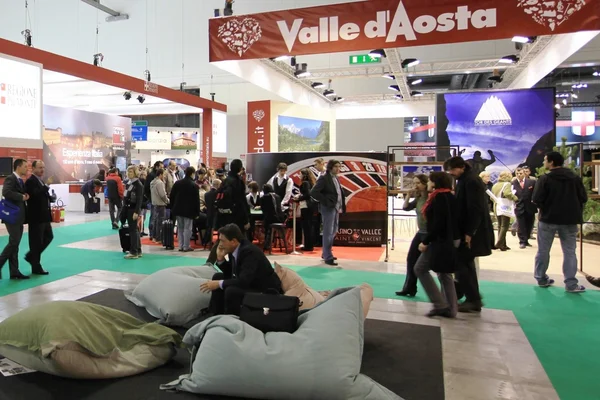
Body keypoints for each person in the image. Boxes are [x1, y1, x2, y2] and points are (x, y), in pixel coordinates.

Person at [532, 151, 587, 293]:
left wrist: (544, 209)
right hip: (570, 220)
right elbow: (583, 197)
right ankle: (571, 284)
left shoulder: (544, 178)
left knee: (543, 250)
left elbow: (536, 199)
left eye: (545, 160)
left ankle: (541, 278)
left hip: (547, 220)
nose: (544, 162)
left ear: (551, 162)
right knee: (570, 252)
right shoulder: (574, 178)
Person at [200, 224, 283, 316]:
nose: (220, 244)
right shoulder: (235, 248)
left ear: (234, 241)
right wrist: (220, 259)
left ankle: (231, 318)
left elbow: (244, 281)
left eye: (223, 241)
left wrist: (219, 284)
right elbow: (232, 274)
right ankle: (215, 312)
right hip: (251, 283)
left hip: (265, 289)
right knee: (217, 276)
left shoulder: (249, 252)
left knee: (231, 290)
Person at [445, 156, 494, 312]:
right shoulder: (466, 180)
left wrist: (469, 232)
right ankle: (470, 297)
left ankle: (472, 299)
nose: (450, 173)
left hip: (473, 232)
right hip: (470, 230)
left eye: (452, 170)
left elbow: (475, 209)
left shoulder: (471, 181)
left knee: (463, 265)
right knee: (465, 265)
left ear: (461, 167)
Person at [414, 172, 460, 318]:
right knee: (444, 273)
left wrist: (426, 241)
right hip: (449, 240)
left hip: (440, 241)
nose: (428, 183)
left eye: (430, 181)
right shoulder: (450, 197)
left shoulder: (438, 198)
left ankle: (440, 304)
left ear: (435, 183)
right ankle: (451, 308)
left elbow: (438, 224)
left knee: (420, 268)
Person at [396, 174, 428, 297]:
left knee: (426, 265)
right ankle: (409, 288)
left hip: (429, 233)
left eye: (418, 183)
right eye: (414, 183)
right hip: (420, 232)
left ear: (425, 184)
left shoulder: (430, 198)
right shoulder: (419, 198)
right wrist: (408, 196)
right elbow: (406, 208)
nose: (416, 186)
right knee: (411, 260)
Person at [310, 159, 346, 266]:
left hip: (335, 207)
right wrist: (325, 201)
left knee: (334, 230)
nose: (338, 169)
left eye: (339, 167)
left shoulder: (335, 178)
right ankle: (328, 256)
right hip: (328, 208)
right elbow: (313, 192)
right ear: (330, 167)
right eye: (336, 166)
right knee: (328, 232)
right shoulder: (324, 177)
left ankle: (326, 253)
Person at [0, 159, 30, 280]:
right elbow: (6, 192)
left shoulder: (19, 180)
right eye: (25, 167)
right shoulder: (11, 178)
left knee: (15, 244)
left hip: (18, 217)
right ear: (18, 167)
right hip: (12, 216)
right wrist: (21, 197)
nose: (27, 169)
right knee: (13, 242)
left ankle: (14, 271)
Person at [24, 160, 55, 276]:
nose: (42, 170)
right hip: (36, 217)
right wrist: (46, 186)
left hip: (44, 216)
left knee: (48, 237)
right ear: (33, 168)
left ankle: (31, 256)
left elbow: (41, 194)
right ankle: (36, 265)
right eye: (40, 167)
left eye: (43, 167)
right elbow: (34, 195)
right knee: (36, 242)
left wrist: (50, 197)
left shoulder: (39, 181)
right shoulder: (30, 181)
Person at [170, 166, 200, 252]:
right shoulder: (194, 185)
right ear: (192, 174)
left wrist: (173, 206)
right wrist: (197, 212)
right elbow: (196, 201)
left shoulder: (177, 183)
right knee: (187, 229)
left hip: (178, 209)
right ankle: (186, 246)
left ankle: (180, 246)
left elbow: (172, 196)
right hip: (189, 210)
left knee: (180, 228)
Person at [217, 159, 250, 233]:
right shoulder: (238, 181)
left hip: (224, 214)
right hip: (236, 215)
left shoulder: (225, 181)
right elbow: (241, 200)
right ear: (240, 168)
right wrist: (246, 219)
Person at [492, 171, 518, 252]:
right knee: (504, 226)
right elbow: (507, 193)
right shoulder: (507, 184)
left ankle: (503, 245)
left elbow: (492, 197)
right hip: (505, 207)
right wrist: (515, 198)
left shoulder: (495, 185)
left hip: (496, 206)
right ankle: (499, 243)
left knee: (500, 225)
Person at [122, 166, 144, 260]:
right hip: (127, 208)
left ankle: (134, 251)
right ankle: (138, 250)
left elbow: (139, 199)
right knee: (134, 230)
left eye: (131, 172)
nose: (129, 173)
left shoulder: (138, 184)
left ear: (135, 172)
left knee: (133, 231)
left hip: (133, 209)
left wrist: (136, 211)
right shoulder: (129, 183)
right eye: (128, 171)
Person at [513, 167, 537, 249]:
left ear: (525, 174)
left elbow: (535, 193)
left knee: (529, 224)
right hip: (519, 207)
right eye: (517, 174)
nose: (519, 175)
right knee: (521, 225)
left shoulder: (532, 182)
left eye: (521, 173)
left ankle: (526, 240)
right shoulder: (513, 183)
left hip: (530, 207)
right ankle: (522, 241)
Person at [295, 168, 317, 252]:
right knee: (308, 226)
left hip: (306, 206)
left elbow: (307, 195)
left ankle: (308, 246)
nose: (299, 175)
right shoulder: (310, 183)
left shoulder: (305, 183)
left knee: (306, 226)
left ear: (304, 175)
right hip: (309, 207)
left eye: (300, 174)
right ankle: (309, 245)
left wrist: (298, 198)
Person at [260, 184, 284, 252]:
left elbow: (263, 210)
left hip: (269, 220)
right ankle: (270, 241)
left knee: (266, 222)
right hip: (280, 219)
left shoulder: (263, 198)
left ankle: (267, 243)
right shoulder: (278, 197)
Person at [144, 161, 163, 239]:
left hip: (157, 200)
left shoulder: (158, 175)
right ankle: (152, 233)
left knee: (157, 217)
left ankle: (155, 233)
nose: (162, 168)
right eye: (161, 167)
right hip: (153, 199)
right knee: (153, 217)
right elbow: (146, 188)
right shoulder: (151, 175)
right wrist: (150, 197)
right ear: (157, 167)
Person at [150, 169, 169, 244]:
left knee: (155, 221)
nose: (164, 176)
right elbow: (162, 195)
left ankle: (154, 237)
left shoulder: (152, 182)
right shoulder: (160, 183)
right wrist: (167, 200)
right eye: (163, 174)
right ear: (160, 174)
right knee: (160, 222)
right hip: (161, 204)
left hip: (154, 203)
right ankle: (159, 238)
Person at [203, 178, 221, 245]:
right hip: (217, 216)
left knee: (209, 227)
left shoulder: (206, 194)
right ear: (218, 185)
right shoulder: (218, 194)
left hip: (209, 215)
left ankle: (208, 241)